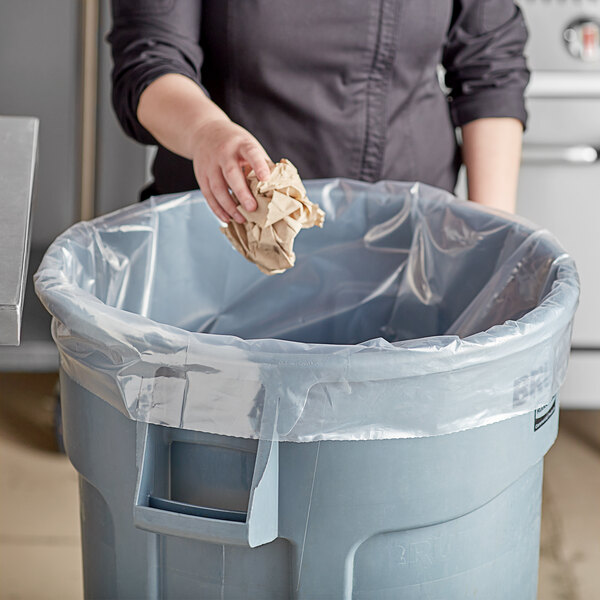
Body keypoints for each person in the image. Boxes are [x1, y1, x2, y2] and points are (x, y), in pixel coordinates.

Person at [108, 0, 529, 222]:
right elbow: (151, 56)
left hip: (409, 243)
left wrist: (489, 236)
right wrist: (207, 130)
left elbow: (489, 64)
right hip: (226, 236)